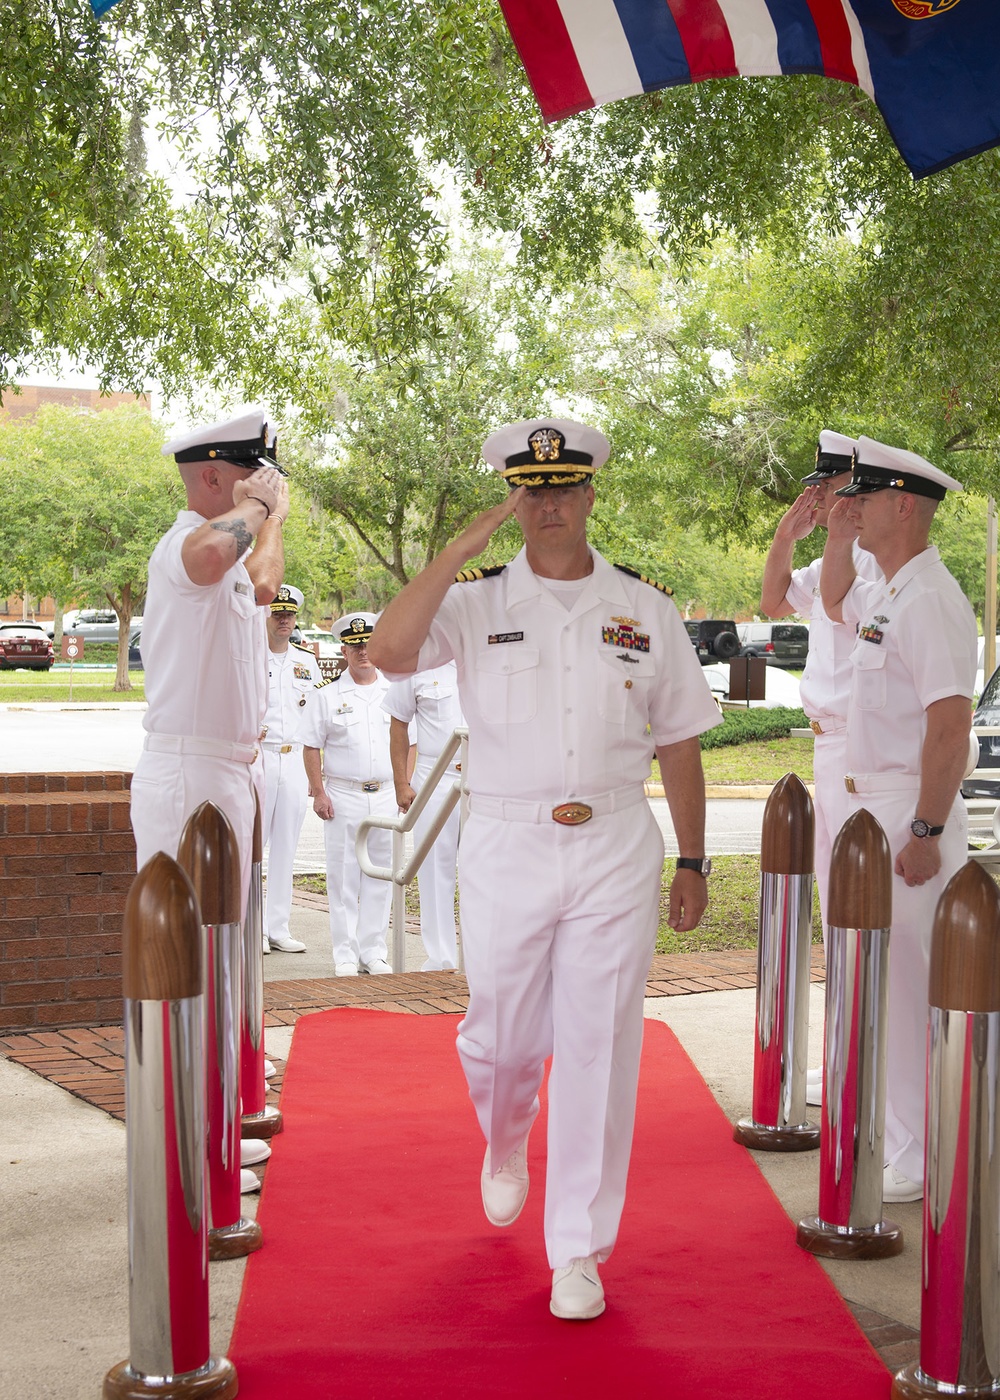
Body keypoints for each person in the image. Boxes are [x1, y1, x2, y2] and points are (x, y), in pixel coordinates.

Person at [368, 417, 721, 1320]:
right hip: (506, 842)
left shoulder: (645, 606)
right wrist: (453, 553)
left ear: (592, 495)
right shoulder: (476, 602)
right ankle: (506, 1133)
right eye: (533, 491)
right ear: (514, 500)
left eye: (565, 489)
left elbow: (679, 740)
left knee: (601, 1045)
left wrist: (692, 858)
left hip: (611, 841)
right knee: (498, 1033)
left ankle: (579, 1250)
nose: (550, 504)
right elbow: (389, 653)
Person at [129, 406, 289, 1194]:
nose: (261, 491)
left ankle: (212, 1126)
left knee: (224, 967)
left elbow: (261, 587)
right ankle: (186, 1153)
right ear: (214, 477)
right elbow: (207, 558)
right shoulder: (184, 547)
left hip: (228, 768)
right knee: (188, 967)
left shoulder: (233, 551)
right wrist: (258, 509)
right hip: (189, 773)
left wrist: (271, 519)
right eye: (251, 476)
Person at [820, 436, 977, 1204]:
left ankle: (922, 1153)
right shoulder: (892, 591)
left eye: (867, 498)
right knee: (881, 985)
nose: (854, 507)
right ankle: (904, 1136)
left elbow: (952, 725)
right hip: (870, 804)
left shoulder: (932, 598)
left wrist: (924, 830)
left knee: (913, 989)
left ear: (903, 506)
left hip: (907, 813)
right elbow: (829, 598)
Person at [759, 430, 882, 1104]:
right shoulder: (836, 558)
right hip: (830, 744)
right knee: (837, 906)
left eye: (828, 490)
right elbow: (773, 601)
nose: (816, 499)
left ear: (853, 492)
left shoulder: (868, 561)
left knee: (857, 907)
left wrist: (832, 541)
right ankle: (844, 1052)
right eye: (815, 491)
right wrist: (785, 538)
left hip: (862, 748)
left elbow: (832, 603)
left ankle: (862, 1060)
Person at [302, 613, 395, 976]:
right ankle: (345, 952)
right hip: (343, 794)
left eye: (367, 645)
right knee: (343, 877)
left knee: (380, 875)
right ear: (343, 649)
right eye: (355, 646)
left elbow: (410, 741)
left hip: (386, 794)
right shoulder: (326, 696)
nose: (362, 652)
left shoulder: (393, 690)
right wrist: (318, 792)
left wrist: (404, 784)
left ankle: (373, 950)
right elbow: (311, 746)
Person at [384, 662, 465, 970]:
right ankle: (441, 958)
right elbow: (398, 725)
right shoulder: (416, 667)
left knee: (482, 870)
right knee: (433, 871)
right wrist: (401, 783)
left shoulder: (482, 658)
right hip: (435, 776)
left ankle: (478, 956)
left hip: (480, 773)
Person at [260, 584, 323, 954]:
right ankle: (251, 926)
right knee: (254, 847)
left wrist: (318, 773)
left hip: (296, 758)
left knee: (286, 845)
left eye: (289, 614)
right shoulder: (252, 658)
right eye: (277, 612)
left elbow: (315, 718)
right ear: (266, 616)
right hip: (261, 756)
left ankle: (277, 927)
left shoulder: (306, 662)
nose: (284, 619)